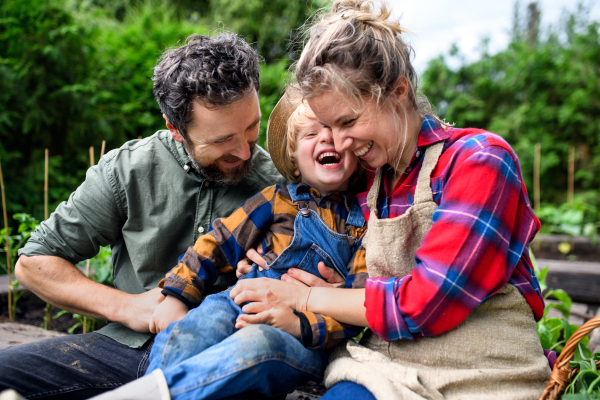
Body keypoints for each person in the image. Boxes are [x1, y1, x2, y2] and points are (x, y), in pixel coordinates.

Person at [228, 1, 551, 399]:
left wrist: (310, 296)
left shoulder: (479, 161)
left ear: (398, 91)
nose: (339, 142)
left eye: (348, 122)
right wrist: (270, 255)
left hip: (485, 376)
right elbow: (307, 221)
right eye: (327, 127)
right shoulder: (367, 178)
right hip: (385, 370)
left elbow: (426, 302)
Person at [0, 33, 287, 400]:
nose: (244, 151)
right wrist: (129, 307)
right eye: (221, 140)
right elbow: (34, 262)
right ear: (174, 127)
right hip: (122, 350)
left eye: (251, 128)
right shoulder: (127, 169)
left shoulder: (281, 185)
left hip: (223, 356)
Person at [89, 91, 368, 400]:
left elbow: (357, 307)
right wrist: (177, 294)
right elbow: (219, 242)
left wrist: (298, 323)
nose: (327, 139)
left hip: (299, 338)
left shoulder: (365, 225)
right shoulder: (276, 199)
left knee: (257, 343)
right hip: (237, 301)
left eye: (336, 133)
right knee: (194, 327)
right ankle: (153, 391)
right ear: (294, 161)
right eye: (312, 133)